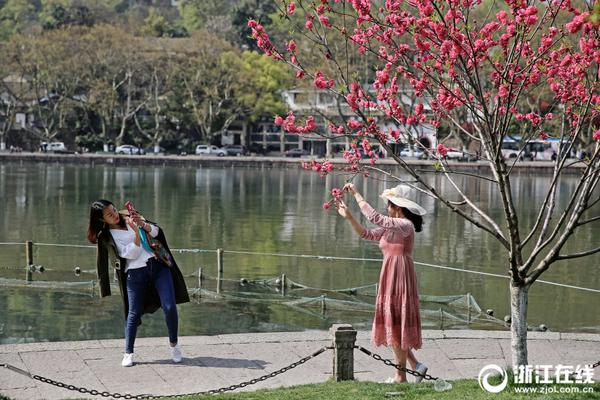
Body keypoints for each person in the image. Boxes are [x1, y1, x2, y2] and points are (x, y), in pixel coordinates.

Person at [335, 183, 428, 383]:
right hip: (390, 274)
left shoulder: (405, 226)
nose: (387, 208)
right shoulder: (390, 227)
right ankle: (414, 367)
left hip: (400, 275)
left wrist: (357, 193)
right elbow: (366, 234)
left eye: (390, 204)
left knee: (396, 320)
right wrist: (349, 217)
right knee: (394, 323)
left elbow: (374, 217)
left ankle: (400, 377)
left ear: (398, 207)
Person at [87, 199, 190, 367]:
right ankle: (128, 352)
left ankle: (174, 345)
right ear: (101, 219)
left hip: (158, 266)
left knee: (170, 306)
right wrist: (136, 233)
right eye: (109, 214)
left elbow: (157, 232)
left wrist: (142, 224)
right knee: (133, 313)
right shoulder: (107, 236)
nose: (114, 214)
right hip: (135, 274)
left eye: (113, 209)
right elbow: (130, 254)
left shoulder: (130, 215)